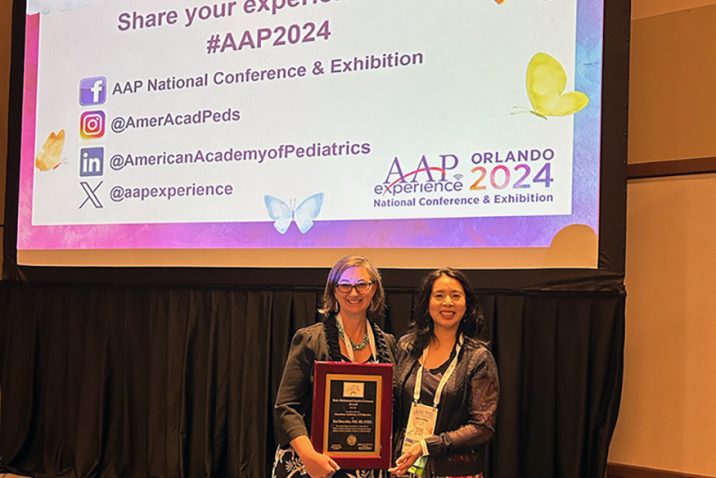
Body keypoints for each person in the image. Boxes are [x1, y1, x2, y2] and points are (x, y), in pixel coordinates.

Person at [272, 256, 397, 478]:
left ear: (374, 289)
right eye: (345, 285)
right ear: (333, 291)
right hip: (312, 464)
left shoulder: (387, 344)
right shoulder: (310, 339)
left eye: (361, 284)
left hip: (367, 467)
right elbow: (286, 407)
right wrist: (310, 456)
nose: (354, 292)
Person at [390, 268, 499, 478]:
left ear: (466, 304)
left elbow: (483, 426)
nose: (447, 302)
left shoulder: (478, 357)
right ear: (427, 302)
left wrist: (428, 445)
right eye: (439, 295)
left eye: (455, 296)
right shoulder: (407, 347)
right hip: (405, 467)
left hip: (455, 472)